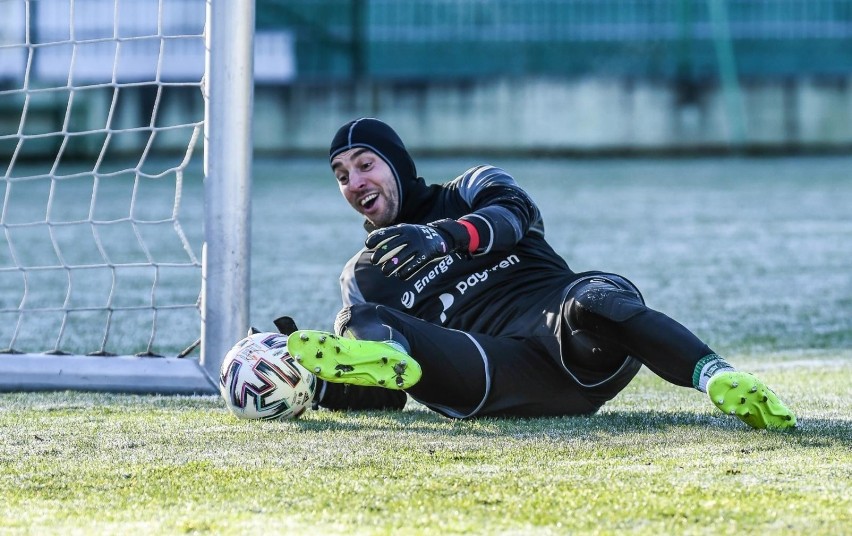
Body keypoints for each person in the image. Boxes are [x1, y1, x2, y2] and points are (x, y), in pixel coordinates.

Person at [285, 117, 796, 429]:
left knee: (597, 297)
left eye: (364, 164)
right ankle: (363, 358)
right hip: (493, 374)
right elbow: (387, 394)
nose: (354, 182)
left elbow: (512, 217)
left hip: (576, 338)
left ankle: (720, 377)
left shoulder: (469, 187)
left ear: (396, 163)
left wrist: (442, 236)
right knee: (360, 315)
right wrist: (303, 383)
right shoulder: (365, 272)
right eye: (341, 176)